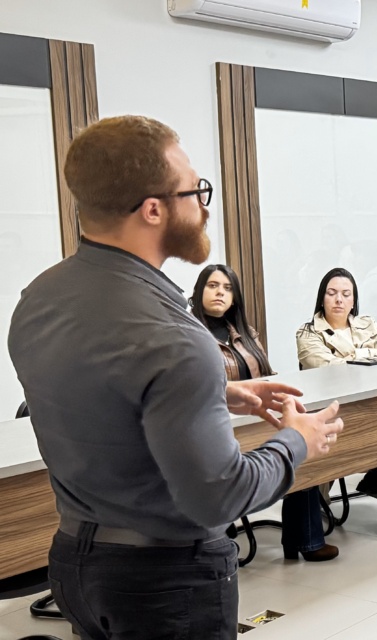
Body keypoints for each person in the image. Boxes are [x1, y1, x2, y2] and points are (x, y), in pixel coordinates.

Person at [8, 115, 342, 639]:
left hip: (75, 567)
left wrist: (217, 390)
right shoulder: (176, 337)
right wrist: (297, 442)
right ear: (154, 209)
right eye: (195, 190)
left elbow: (104, 394)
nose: (205, 206)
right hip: (164, 583)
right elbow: (220, 495)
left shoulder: (38, 300)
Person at [192, 264, 338, 562]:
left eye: (227, 288)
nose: (220, 292)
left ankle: (305, 539)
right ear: (199, 292)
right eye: (212, 286)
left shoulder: (246, 333)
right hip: (219, 424)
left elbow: (268, 374)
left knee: (299, 438)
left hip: (257, 418)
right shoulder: (191, 334)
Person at [297, 268, 377, 541]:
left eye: (346, 294)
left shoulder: (367, 323)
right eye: (332, 293)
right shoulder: (308, 333)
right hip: (334, 411)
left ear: (354, 299)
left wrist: (354, 356)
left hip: (371, 404)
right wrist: (370, 355)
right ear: (322, 298)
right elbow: (327, 367)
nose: (339, 300)